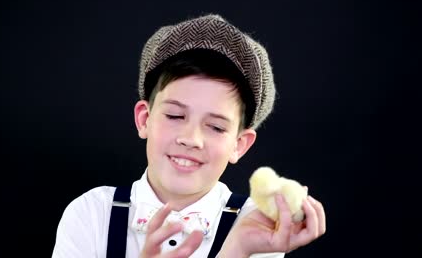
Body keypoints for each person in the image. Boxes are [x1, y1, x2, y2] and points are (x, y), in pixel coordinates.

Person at [52, 14, 326, 258]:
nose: (191, 138)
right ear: (144, 119)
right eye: (174, 116)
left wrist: (237, 250)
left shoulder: (255, 224)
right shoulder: (92, 214)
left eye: (216, 127)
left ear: (239, 145)